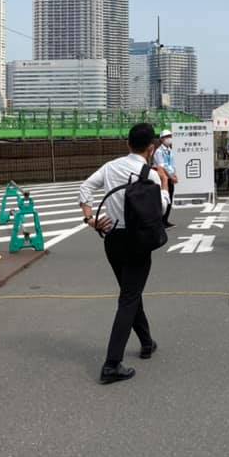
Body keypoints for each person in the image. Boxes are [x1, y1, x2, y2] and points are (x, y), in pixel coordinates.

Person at [79, 123, 170, 384]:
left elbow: (85, 188)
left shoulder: (110, 167)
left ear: (128, 144)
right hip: (138, 240)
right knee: (129, 297)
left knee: (131, 292)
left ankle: (146, 342)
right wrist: (164, 185)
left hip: (112, 238)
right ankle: (111, 364)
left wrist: (91, 219)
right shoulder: (149, 175)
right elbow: (160, 209)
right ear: (151, 148)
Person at [153, 129, 177, 228]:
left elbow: (172, 164)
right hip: (163, 178)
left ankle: (165, 220)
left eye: (170, 136)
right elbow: (162, 166)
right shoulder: (159, 151)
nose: (169, 139)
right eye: (166, 137)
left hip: (170, 177)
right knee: (164, 199)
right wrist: (171, 177)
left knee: (169, 199)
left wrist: (174, 175)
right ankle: (160, 221)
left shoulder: (170, 150)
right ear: (161, 139)